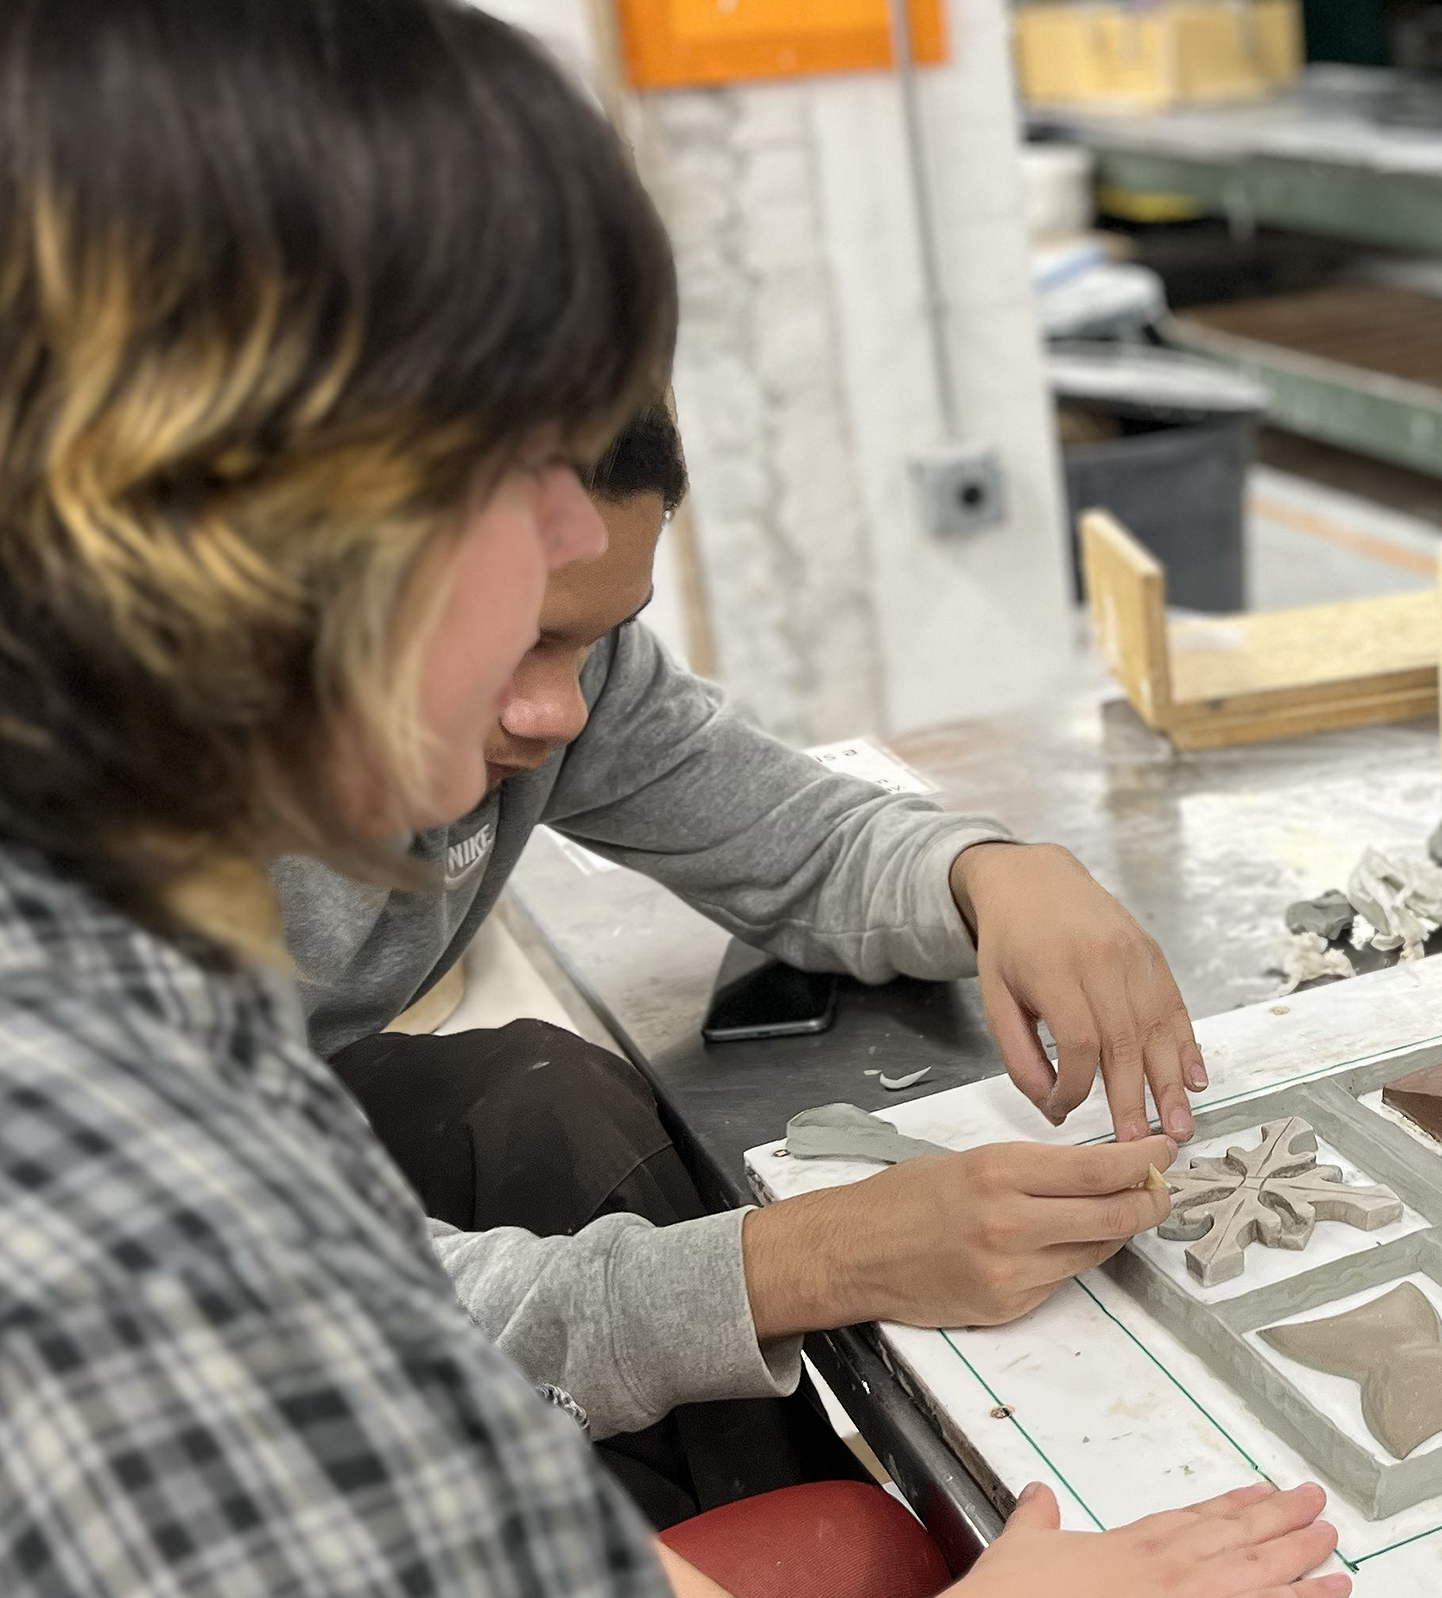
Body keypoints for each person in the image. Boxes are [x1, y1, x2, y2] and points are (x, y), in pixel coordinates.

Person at [0, 0, 1343, 1598]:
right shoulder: (128, 1242)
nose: (566, 558)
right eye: (515, 487)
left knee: (553, 1105)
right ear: (245, 509)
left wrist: (985, 868)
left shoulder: (138, 976)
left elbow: (480, 1478)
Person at [282, 400, 1192, 1527]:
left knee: (548, 1106)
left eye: (589, 636)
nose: (560, 709)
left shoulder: (556, 675)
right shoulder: (97, 839)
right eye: (512, 638)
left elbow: (792, 832)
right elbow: (255, 1322)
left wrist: (987, 874)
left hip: (265, 1100)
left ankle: (814, 1555)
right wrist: (810, 1260)